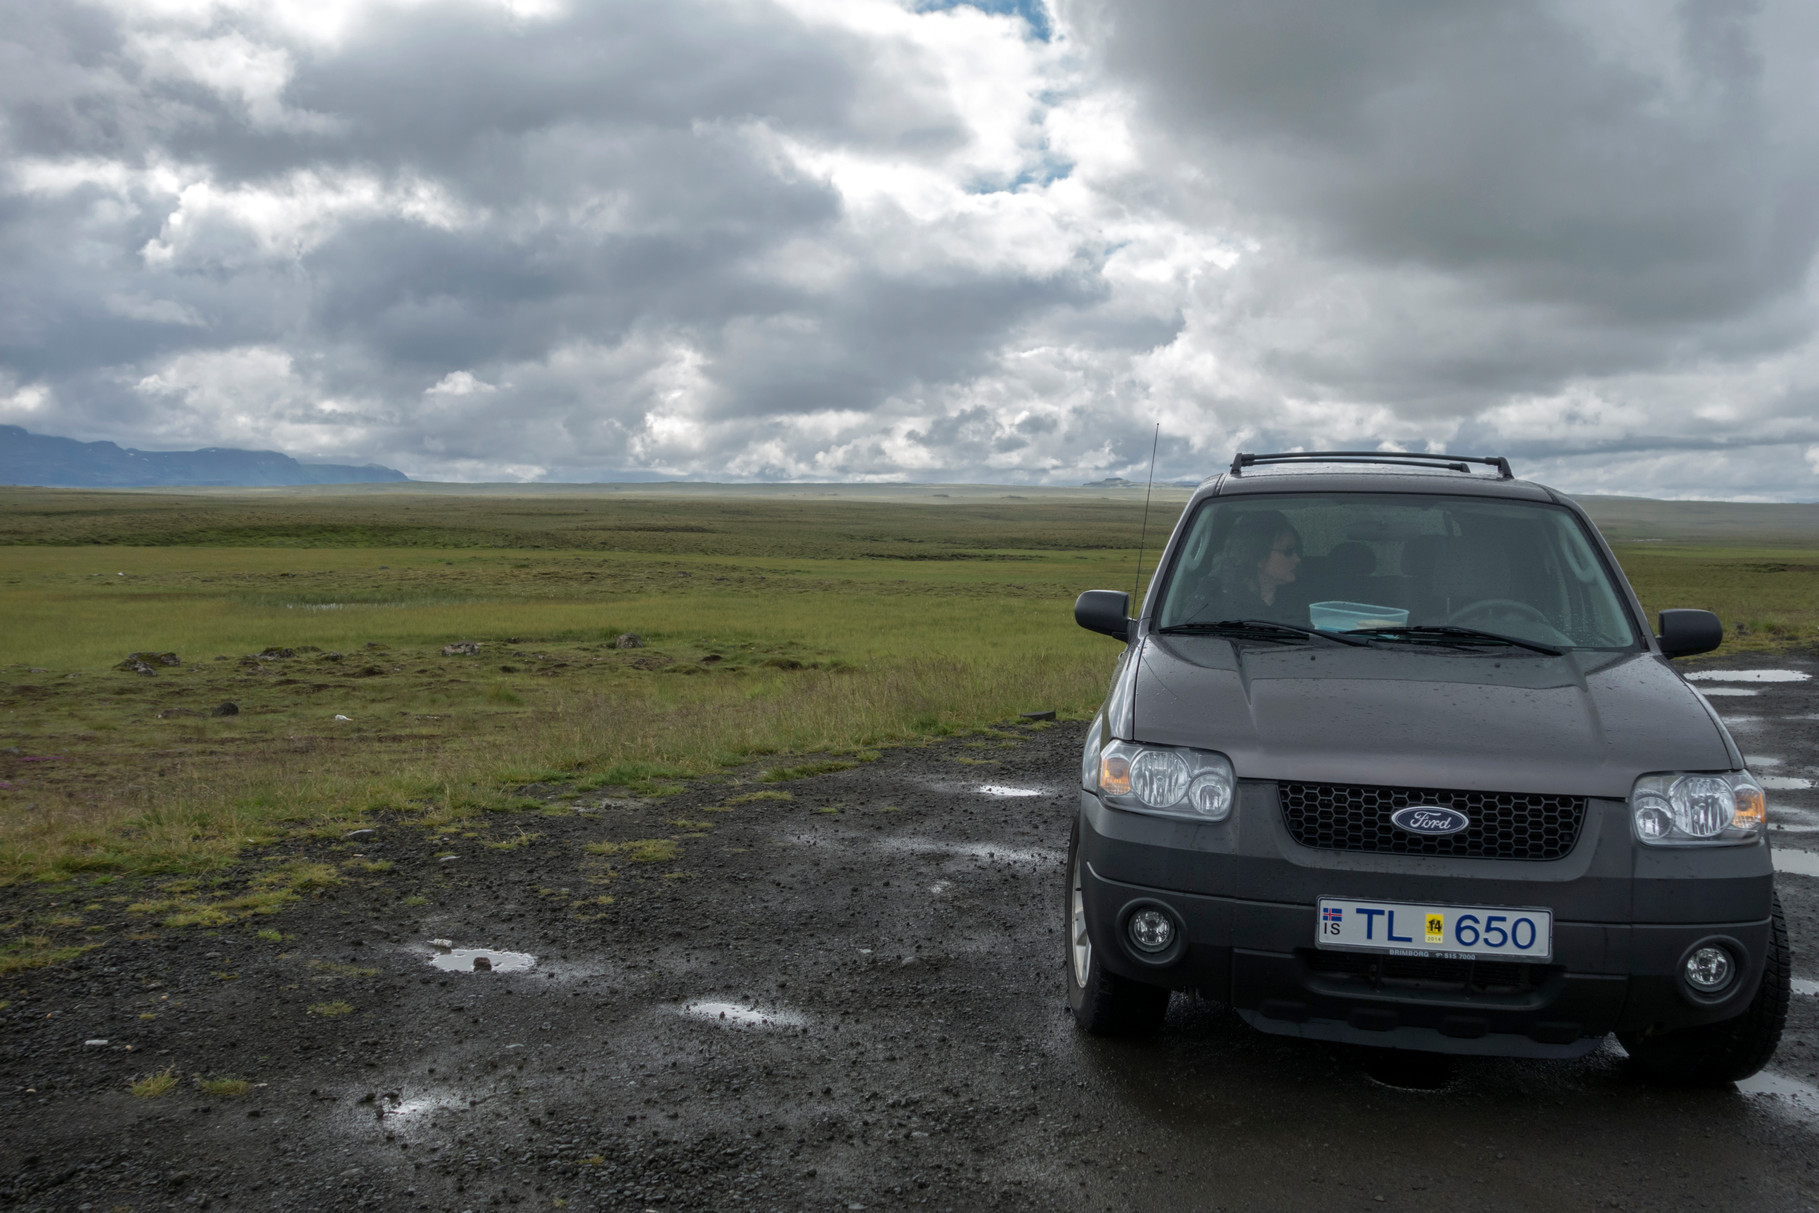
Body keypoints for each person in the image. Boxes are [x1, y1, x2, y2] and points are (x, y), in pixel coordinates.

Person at [1207, 511, 1302, 619]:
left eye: (1296, 550)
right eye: (1288, 551)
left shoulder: (1303, 601)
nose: (1297, 559)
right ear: (1259, 557)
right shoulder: (1216, 600)